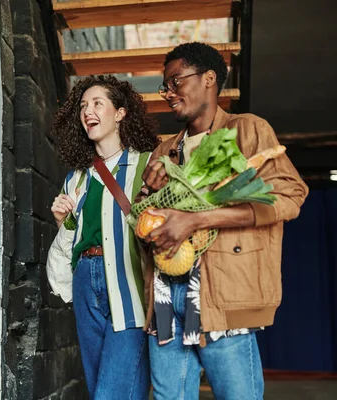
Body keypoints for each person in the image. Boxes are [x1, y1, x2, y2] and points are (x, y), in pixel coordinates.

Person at [141, 42, 309, 399]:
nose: (169, 93)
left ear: (209, 79)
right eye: (165, 86)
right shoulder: (163, 151)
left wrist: (196, 220)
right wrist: (146, 198)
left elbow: (291, 197)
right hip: (166, 301)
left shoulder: (247, 131)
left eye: (176, 81)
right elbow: (146, 229)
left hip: (223, 296)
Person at [46, 75, 159, 399]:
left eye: (97, 103)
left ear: (120, 113)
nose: (87, 111)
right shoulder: (76, 178)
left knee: (111, 392)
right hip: (85, 280)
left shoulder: (147, 164)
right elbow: (71, 245)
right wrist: (63, 222)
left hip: (128, 281)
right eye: (83, 106)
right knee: (100, 387)